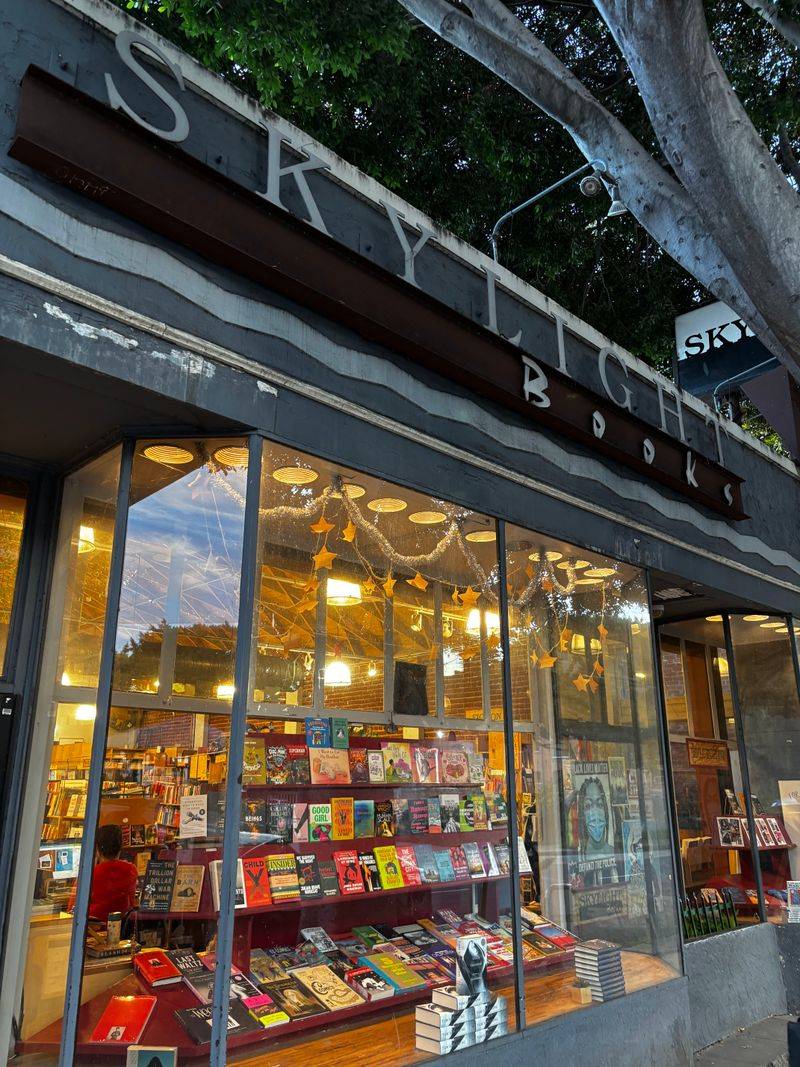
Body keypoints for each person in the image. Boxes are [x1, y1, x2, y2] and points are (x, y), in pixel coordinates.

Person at [69, 824, 138, 923]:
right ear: (120, 848)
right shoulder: (131, 870)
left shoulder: (89, 875)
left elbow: (72, 909)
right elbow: (130, 903)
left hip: (91, 930)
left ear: (97, 848)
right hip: (117, 929)